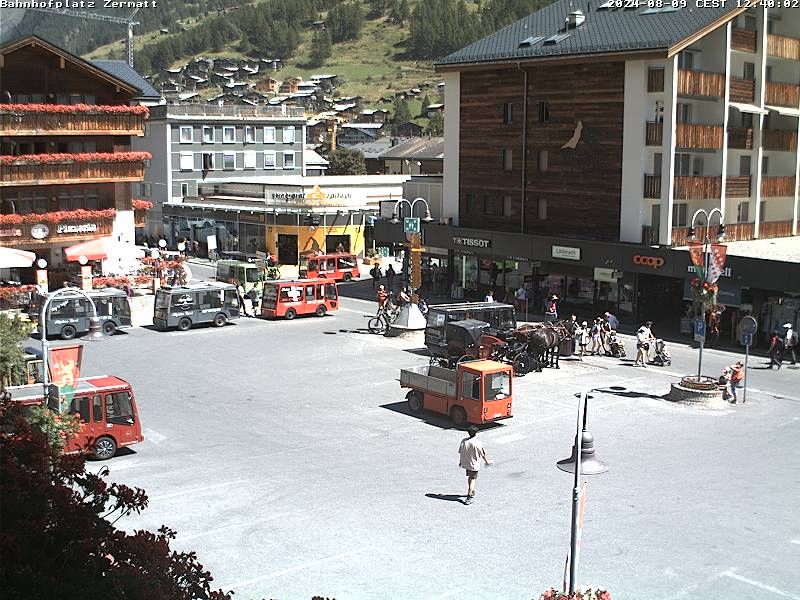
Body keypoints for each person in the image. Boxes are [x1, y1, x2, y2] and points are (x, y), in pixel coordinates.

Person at [458, 425, 492, 505]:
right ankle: (469, 497)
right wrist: (487, 462)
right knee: (473, 479)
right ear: (476, 433)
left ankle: (471, 491)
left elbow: (461, 452)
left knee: (470, 478)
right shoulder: (478, 443)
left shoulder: (464, 441)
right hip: (474, 465)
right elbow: (483, 454)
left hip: (467, 463)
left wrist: (461, 462)